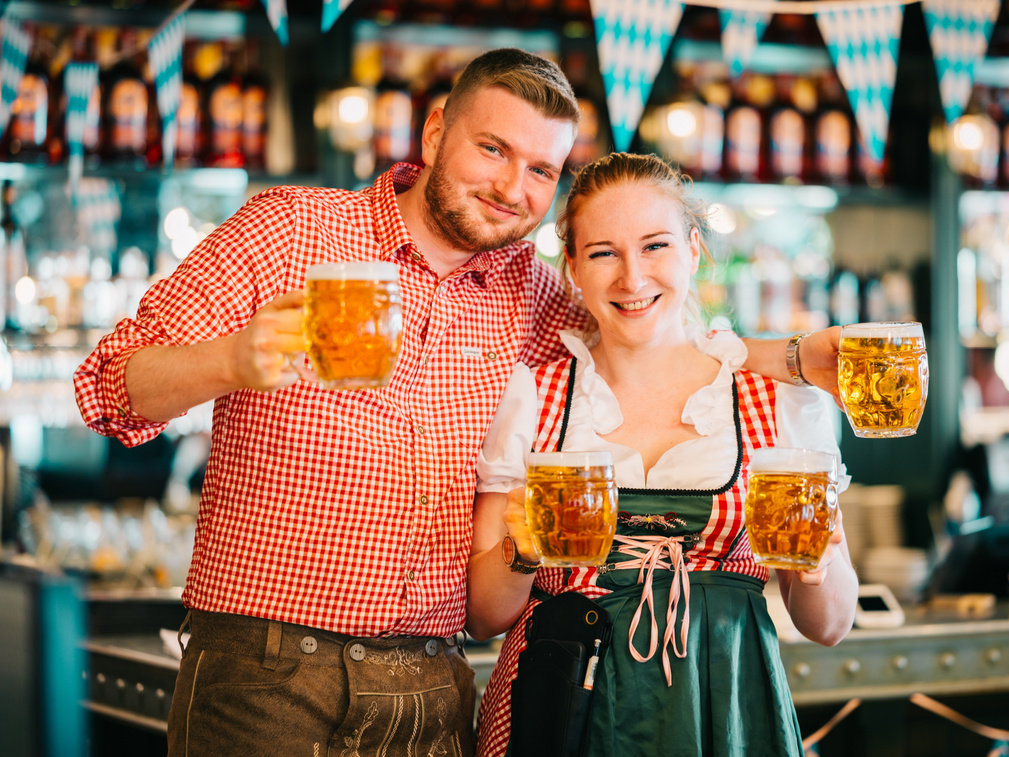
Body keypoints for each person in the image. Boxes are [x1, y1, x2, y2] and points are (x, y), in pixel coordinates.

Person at [74, 48, 839, 755]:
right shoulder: (290, 229)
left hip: (433, 686)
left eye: (542, 169)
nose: (513, 187)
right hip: (267, 669)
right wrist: (231, 360)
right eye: (493, 149)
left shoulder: (537, 294)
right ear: (437, 129)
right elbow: (109, 387)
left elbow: (647, 326)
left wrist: (797, 361)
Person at [468, 152, 859, 757]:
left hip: (726, 704)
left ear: (694, 249)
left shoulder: (781, 402)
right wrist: (524, 545)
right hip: (564, 708)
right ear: (571, 267)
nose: (632, 278)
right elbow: (486, 615)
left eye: (655, 246)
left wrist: (814, 568)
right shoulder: (532, 397)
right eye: (603, 253)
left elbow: (829, 626)